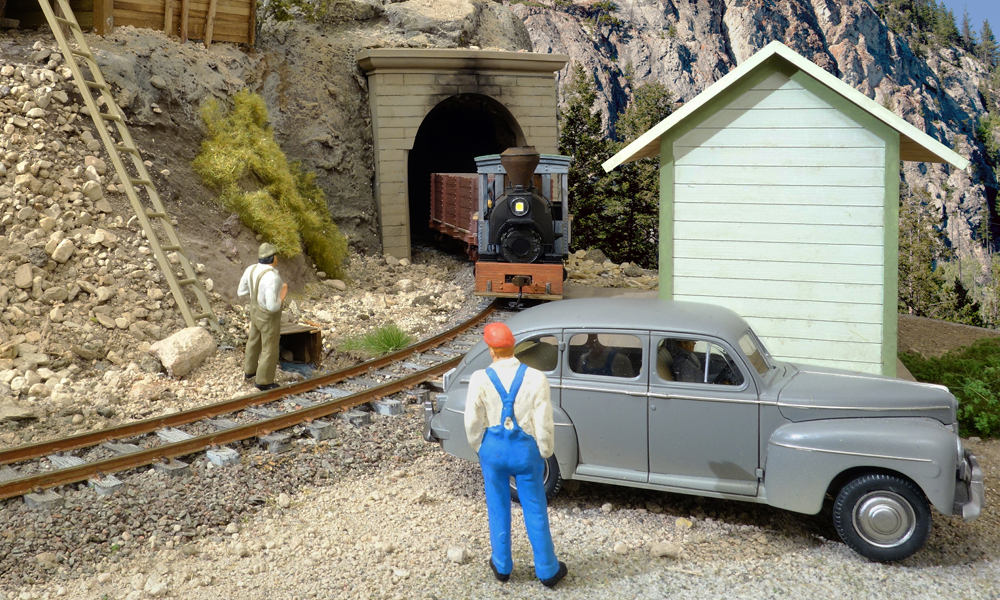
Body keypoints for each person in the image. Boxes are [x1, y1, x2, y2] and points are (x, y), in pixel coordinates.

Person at [464, 323, 568, 588]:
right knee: (535, 506)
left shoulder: (479, 378)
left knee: (497, 505)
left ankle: (502, 565)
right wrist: (545, 449)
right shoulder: (536, 377)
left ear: (491, 350)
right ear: (514, 347)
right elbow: (544, 419)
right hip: (525, 451)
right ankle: (547, 569)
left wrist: (479, 446)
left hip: (494, 451)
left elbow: (472, 420)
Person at [238, 242, 287, 391]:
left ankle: (249, 371)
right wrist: (281, 297)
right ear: (272, 258)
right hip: (267, 318)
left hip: (255, 313)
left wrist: (256, 293)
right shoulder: (272, 277)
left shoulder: (250, 269)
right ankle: (264, 381)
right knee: (269, 348)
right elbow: (272, 307)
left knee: (253, 341)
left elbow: (241, 291)